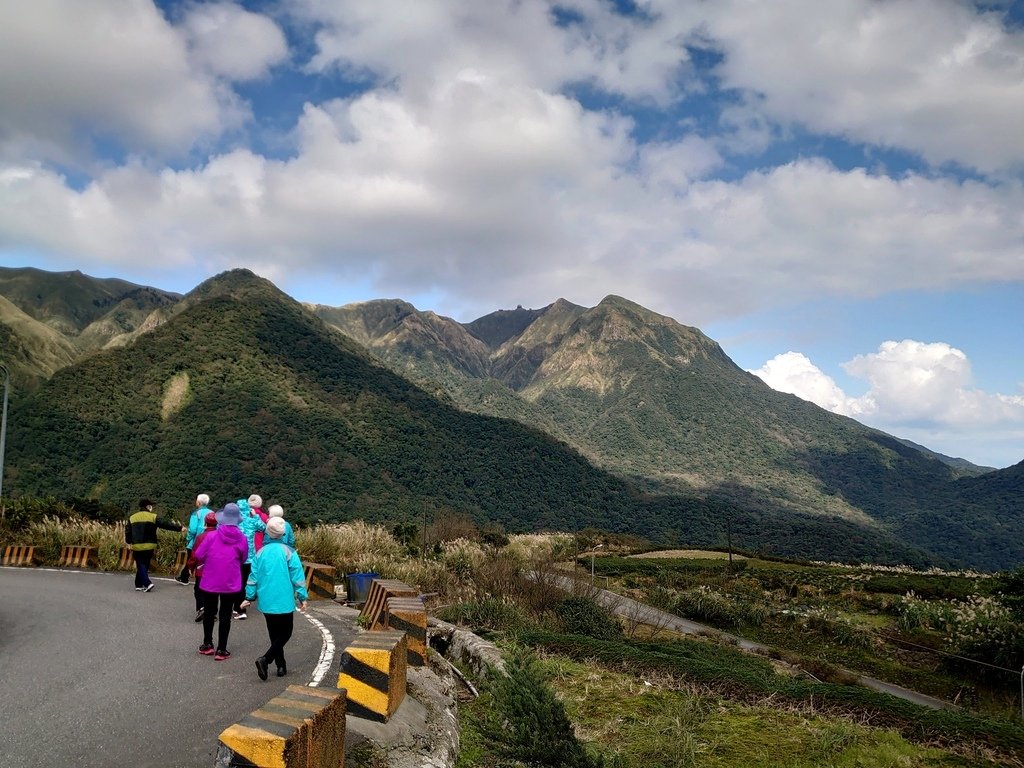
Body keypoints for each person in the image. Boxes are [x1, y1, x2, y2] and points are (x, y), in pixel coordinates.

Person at [241, 516, 308, 680]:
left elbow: (253, 577)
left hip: (266, 599)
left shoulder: (260, 552)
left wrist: (249, 596)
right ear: (283, 533)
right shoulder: (289, 552)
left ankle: (281, 666)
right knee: (286, 632)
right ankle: (266, 659)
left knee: (274, 633)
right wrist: (302, 596)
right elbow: (297, 576)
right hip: (284, 598)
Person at [193, 502, 249, 661]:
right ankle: (221, 649)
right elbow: (243, 559)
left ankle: (207, 644)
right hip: (231, 580)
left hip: (210, 579)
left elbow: (198, 555)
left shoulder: (211, 536)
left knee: (210, 612)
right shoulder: (242, 539)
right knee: (225, 614)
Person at [125, 498, 185, 592]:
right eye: (150, 505)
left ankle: (141, 584)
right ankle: (144, 583)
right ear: (147, 506)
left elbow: (128, 532)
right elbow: (165, 524)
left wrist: (129, 541)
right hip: (150, 545)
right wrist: (179, 528)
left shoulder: (132, 517)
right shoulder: (153, 516)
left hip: (137, 546)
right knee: (144, 564)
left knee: (140, 564)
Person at [232, 494, 266, 621]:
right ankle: (240, 609)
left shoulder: (234, 521)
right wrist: (255, 516)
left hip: (235, 557)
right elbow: (264, 528)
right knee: (244, 583)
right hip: (249, 558)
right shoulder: (252, 520)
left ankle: (236, 608)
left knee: (235, 583)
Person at [187, 511, 218, 622]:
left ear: (205, 522)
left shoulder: (201, 537)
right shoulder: (220, 536)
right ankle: (213, 612)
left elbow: (195, 554)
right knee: (214, 590)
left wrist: (190, 566)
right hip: (216, 569)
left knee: (199, 589)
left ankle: (202, 608)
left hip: (202, 568)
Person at [176, 493, 212, 586]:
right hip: (210, 541)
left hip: (196, 541)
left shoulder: (196, 513)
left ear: (199, 502)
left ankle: (184, 578)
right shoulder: (212, 513)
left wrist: (188, 539)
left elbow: (192, 529)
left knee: (191, 559)